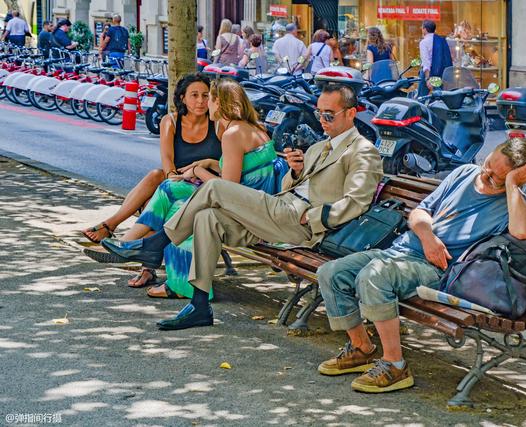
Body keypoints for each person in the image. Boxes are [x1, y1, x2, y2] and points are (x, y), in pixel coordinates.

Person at [96, 83, 384, 331]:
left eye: (329, 114)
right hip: (280, 211)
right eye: (319, 112)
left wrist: (316, 218)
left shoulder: (363, 152)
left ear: (351, 113)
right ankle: (199, 307)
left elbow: (357, 201)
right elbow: (290, 186)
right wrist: (295, 172)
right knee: (208, 217)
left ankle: (155, 243)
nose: (322, 120)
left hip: (302, 223)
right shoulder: (321, 147)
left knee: (215, 187)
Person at [316, 137, 526, 393]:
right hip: (401, 251)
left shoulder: (513, 205)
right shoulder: (465, 173)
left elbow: (523, 232)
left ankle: (395, 366)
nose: (486, 174)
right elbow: (420, 211)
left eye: (497, 178)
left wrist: (512, 184)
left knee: (374, 277)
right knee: (331, 272)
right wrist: (428, 237)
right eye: (488, 164)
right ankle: (362, 349)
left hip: (437, 270)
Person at [86, 79, 278, 300]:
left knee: (179, 206)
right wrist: (208, 163)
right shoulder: (249, 128)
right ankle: (134, 247)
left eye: (209, 98)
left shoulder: (232, 134)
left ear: (219, 102)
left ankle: (147, 258)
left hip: (245, 213)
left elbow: (227, 189)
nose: (206, 103)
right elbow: (243, 170)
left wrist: (197, 170)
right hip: (252, 204)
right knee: (169, 187)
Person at [81, 73, 224, 287]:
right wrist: (175, 179)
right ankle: (125, 243)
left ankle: (125, 243)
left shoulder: (218, 124)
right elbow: (168, 163)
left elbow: (226, 166)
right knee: (157, 177)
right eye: (194, 95)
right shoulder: (171, 122)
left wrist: (205, 164)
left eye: (205, 95)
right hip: (177, 183)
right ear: (182, 98)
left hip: (206, 189)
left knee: (159, 201)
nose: (201, 101)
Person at [418, 20, 453, 96]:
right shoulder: (441, 40)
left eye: (422, 28)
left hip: (429, 73)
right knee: (440, 96)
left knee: (421, 98)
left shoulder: (424, 42)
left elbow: (426, 63)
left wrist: (428, 79)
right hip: (441, 72)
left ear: (425, 29)